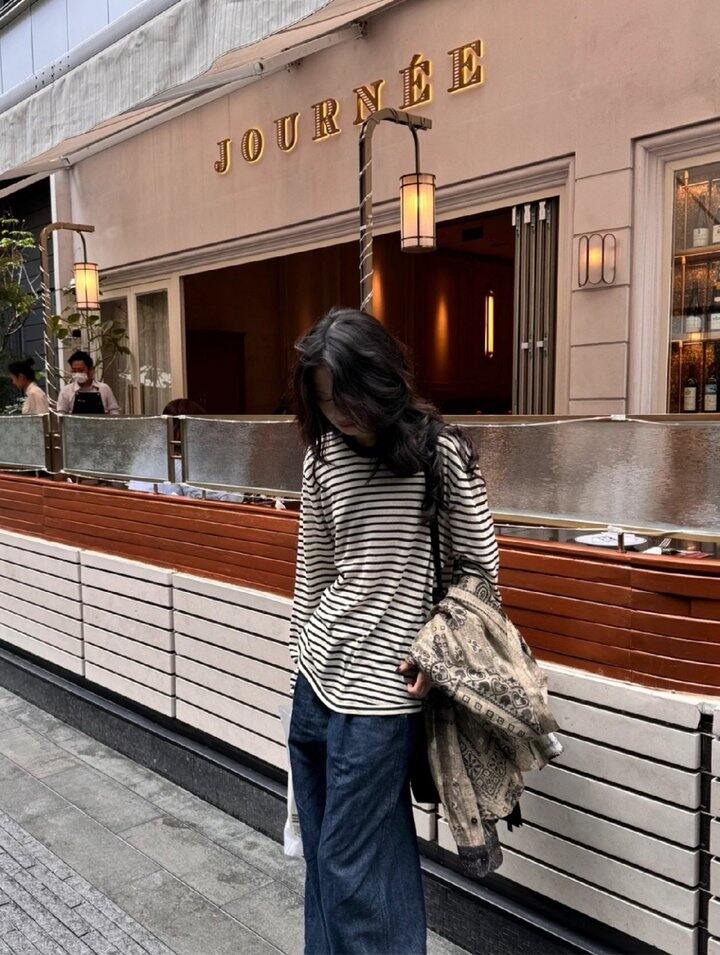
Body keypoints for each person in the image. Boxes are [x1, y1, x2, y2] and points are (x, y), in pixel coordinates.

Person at [287, 307, 500, 955]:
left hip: (385, 694)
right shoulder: (322, 457)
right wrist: (298, 657)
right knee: (327, 857)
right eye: (325, 401)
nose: (338, 415)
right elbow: (314, 572)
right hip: (316, 681)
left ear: (381, 380)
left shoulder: (439, 453)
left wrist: (437, 653)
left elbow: (480, 570)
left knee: (349, 865)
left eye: (347, 398)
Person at [56, 350, 119, 415]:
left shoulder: (104, 389)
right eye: (74, 371)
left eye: (81, 370)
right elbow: (61, 415)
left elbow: (114, 412)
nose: (77, 374)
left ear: (91, 370)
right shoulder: (66, 391)